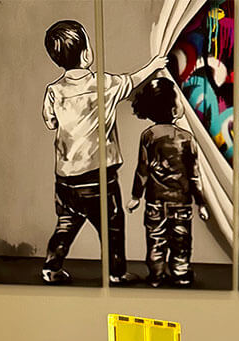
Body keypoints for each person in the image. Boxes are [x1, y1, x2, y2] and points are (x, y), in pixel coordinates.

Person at [41, 21, 165, 285]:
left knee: (66, 223)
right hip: (99, 178)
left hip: (65, 178)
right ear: (87, 54)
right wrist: (154, 66)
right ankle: (116, 273)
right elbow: (133, 81)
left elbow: (50, 122)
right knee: (112, 226)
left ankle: (51, 268)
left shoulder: (54, 91)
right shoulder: (104, 85)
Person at [128, 76, 209, 287]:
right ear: (174, 109)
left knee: (155, 242)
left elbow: (142, 170)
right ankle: (181, 274)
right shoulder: (187, 139)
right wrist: (201, 203)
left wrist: (136, 196)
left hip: (155, 203)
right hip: (181, 204)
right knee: (181, 242)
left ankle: (156, 275)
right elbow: (194, 175)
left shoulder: (148, 136)